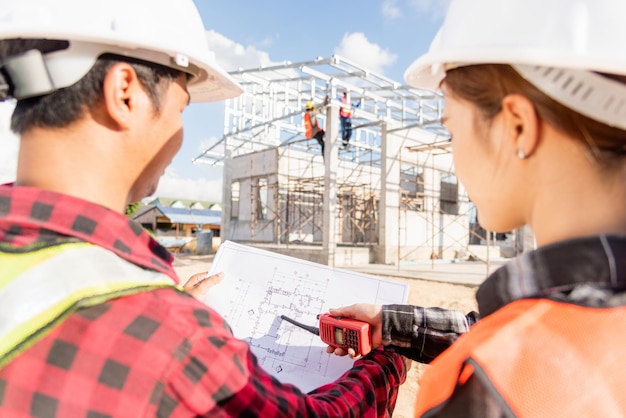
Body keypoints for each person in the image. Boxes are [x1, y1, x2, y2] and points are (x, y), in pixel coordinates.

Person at [0, 1, 407, 416]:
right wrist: (385, 360)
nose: (180, 133)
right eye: (181, 108)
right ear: (125, 92)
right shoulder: (166, 339)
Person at [328, 0, 626, 416]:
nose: (452, 153)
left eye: (450, 127)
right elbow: (511, 326)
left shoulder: (492, 387)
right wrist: (392, 324)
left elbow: (523, 345)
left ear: (516, 126)